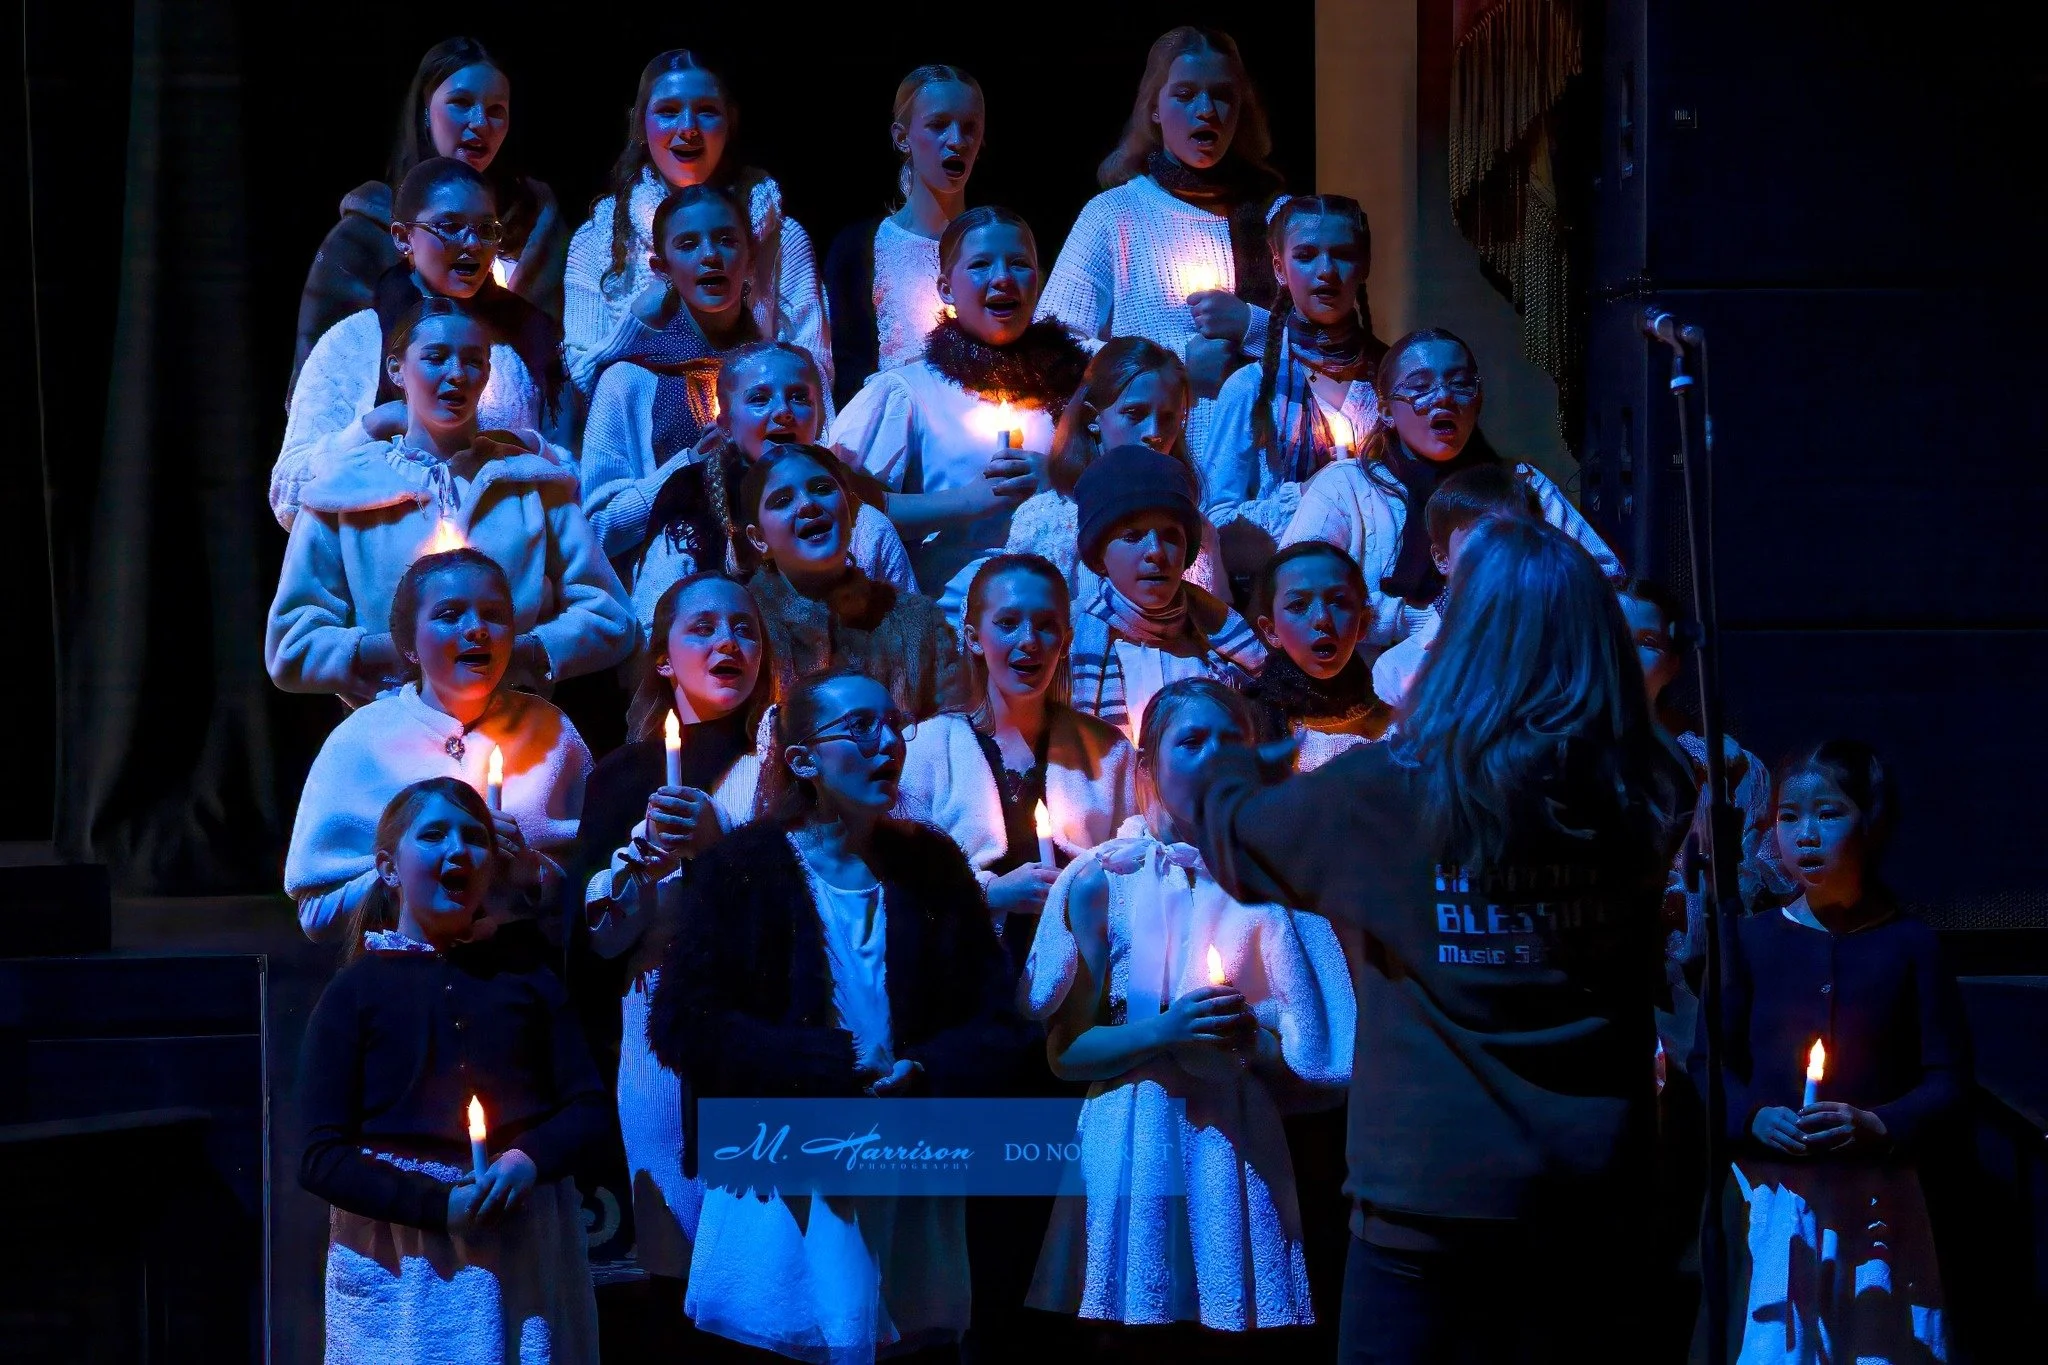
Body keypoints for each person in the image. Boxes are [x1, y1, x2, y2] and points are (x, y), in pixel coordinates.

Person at [1191, 516, 1694, 1363]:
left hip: (1430, 1199)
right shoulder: (1651, 784)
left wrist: (1241, 756)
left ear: (1465, 641)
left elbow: (1236, 837)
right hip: (1598, 1197)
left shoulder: (1391, 794)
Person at [646, 669, 1030, 1364]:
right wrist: (820, 1066)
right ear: (802, 759)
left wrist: (926, 1068)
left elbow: (997, 1017)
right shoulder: (748, 866)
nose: (887, 742)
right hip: (794, 1167)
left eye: (894, 726)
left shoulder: (932, 864)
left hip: (904, 1160)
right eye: (860, 727)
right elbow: (683, 1019)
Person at [1021, 677, 1353, 1341]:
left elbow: (1314, 1060)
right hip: (1129, 1139)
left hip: (1232, 1144)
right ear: (1148, 764)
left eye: (1231, 741)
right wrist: (1166, 1030)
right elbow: (1066, 1054)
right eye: (1193, 741)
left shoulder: (1275, 885)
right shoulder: (1101, 878)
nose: (1214, 755)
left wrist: (1249, 1042)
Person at [299, 777, 605, 1364]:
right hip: (403, 1257)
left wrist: (527, 1159)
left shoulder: (527, 981)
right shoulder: (355, 994)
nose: (457, 850)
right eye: (434, 834)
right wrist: (436, 1206)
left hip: (518, 1233)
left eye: (474, 837)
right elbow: (320, 1157)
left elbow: (587, 1108)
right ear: (389, 868)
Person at [1714, 740, 1968, 1364]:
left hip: (1874, 1199)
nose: (1805, 835)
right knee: (1776, 1340)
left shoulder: (1909, 944)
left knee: (1873, 1341)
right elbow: (1709, 1062)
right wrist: (1752, 1115)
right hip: (1775, 1199)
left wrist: (1878, 1122)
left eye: (1827, 814)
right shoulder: (1749, 940)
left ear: (1871, 820)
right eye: (1787, 818)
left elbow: (1948, 1076)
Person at [568, 573, 770, 1322]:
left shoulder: (784, 770)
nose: (728, 642)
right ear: (661, 658)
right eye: (704, 628)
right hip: (653, 1031)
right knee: (668, 1256)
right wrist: (635, 881)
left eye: (745, 629)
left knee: (752, 1258)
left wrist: (720, 850)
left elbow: (809, 905)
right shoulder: (623, 777)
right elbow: (591, 945)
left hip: (756, 1023)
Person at [267, 297, 633, 702]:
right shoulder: (346, 488)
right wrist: (393, 653)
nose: (456, 374)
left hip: (514, 726)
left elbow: (609, 615)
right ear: (397, 370)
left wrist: (521, 652)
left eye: (473, 361)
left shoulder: (529, 482)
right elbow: (293, 640)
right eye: (436, 357)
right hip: (391, 729)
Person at [284, 549, 590, 942]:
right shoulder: (359, 741)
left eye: (494, 615)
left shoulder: (553, 731)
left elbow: (595, 889)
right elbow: (317, 916)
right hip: (405, 984)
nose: (477, 629)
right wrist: (413, 871)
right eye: (450, 615)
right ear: (409, 643)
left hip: (523, 981)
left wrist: (528, 872)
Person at [1280, 327, 1621, 659]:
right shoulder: (1347, 487)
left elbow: (1606, 578)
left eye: (1460, 384)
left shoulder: (1521, 484)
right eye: (1420, 387)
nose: (1443, 397)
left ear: (1478, 399)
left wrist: (1516, 610)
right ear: (1385, 410)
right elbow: (1292, 595)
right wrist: (1424, 620)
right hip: (1372, 697)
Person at [1037, 27, 1287, 457]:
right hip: (1155, 463)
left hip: (1261, 460)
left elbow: (1327, 345)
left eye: (1222, 95)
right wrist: (1174, 369)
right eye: (1185, 95)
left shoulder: (1276, 218)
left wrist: (1252, 324)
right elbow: (1054, 346)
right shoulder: (1114, 214)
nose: (1206, 110)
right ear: (1154, 108)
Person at [275, 157, 562, 530]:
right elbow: (287, 495)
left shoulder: (525, 342)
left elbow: (574, 473)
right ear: (402, 237)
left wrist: (523, 448)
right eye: (450, 227)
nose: (472, 244)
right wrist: (372, 427)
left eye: (486, 230)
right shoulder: (356, 341)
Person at [832, 206, 1087, 623]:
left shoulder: (1072, 386)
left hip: (1057, 623)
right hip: (950, 624)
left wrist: (1059, 477)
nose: (1002, 278)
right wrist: (965, 501)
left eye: (1019, 264)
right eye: (982, 264)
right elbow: (850, 508)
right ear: (946, 289)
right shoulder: (908, 392)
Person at [896, 554, 1141, 963]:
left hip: (1083, 979)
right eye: (1008, 623)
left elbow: (1136, 870)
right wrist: (992, 893)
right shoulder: (926, 748)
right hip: (966, 978)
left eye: (1046, 627)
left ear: (1065, 642)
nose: (1029, 640)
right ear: (974, 637)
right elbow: (901, 882)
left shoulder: (1109, 752)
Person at [289, 37, 566, 398]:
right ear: (425, 110)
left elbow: (558, 367)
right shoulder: (365, 234)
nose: (480, 122)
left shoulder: (534, 223)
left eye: (496, 110)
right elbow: (319, 382)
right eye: (461, 104)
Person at [564, 50, 829, 403]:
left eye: (706, 111)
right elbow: (583, 378)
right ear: (641, 124)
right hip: (640, 442)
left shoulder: (780, 238)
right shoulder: (600, 238)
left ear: (730, 122)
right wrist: (640, 320)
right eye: (668, 112)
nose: (688, 129)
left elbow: (815, 374)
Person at [578, 184, 764, 620]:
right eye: (688, 244)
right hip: (668, 611)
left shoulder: (780, 374)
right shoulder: (629, 381)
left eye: (726, 240)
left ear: (750, 256)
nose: (710, 256)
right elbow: (598, 529)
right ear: (662, 269)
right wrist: (685, 465)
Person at [1203, 194, 1386, 579]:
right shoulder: (1251, 390)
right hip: (1290, 596)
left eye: (1343, 254)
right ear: (1280, 269)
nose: (1326, 272)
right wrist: (1305, 495)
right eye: (1305, 256)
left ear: (1366, 264)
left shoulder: (1390, 380)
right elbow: (1217, 523)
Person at [739, 443, 964, 720]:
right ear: (759, 539)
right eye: (783, 501)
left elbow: (952, 731)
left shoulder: (918, 626)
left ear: (852, 508)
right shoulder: (743, 628)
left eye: (822, 489)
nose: (808, 504)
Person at [1004, 337, 1227, 606]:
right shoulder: (1045, 521)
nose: (1154, 433)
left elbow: (1217, 624)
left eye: (1168, 418)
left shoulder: (1188, 524)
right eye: (1135, 413)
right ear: (1092, 419)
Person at [1065, 445, 1265, 738]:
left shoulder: (1215, 644)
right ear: (1098, 557)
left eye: (1171, 536)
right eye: (1132, 536)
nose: (1156, 552)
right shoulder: (1074, 648)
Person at [823, 65, 986, 406]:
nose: (956, 141)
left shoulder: (997, 243)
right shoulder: (860, 249)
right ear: (902, 137)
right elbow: (846, 366)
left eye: (969, 128)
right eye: (938, 125)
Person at [1369, 462, 1540, 710]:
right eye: (1480, 545)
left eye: (1517, 541)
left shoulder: (1567, 639)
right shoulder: (1399, 667)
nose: (1499, 558)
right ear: (1442, 559)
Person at [1243, 541, 1386, 770]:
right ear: (1271, 630)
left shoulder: (1399, 724)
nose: (1322, 619)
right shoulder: (1250, 727)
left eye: (1339, 601)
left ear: (1364, 622)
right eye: (1299, 605)